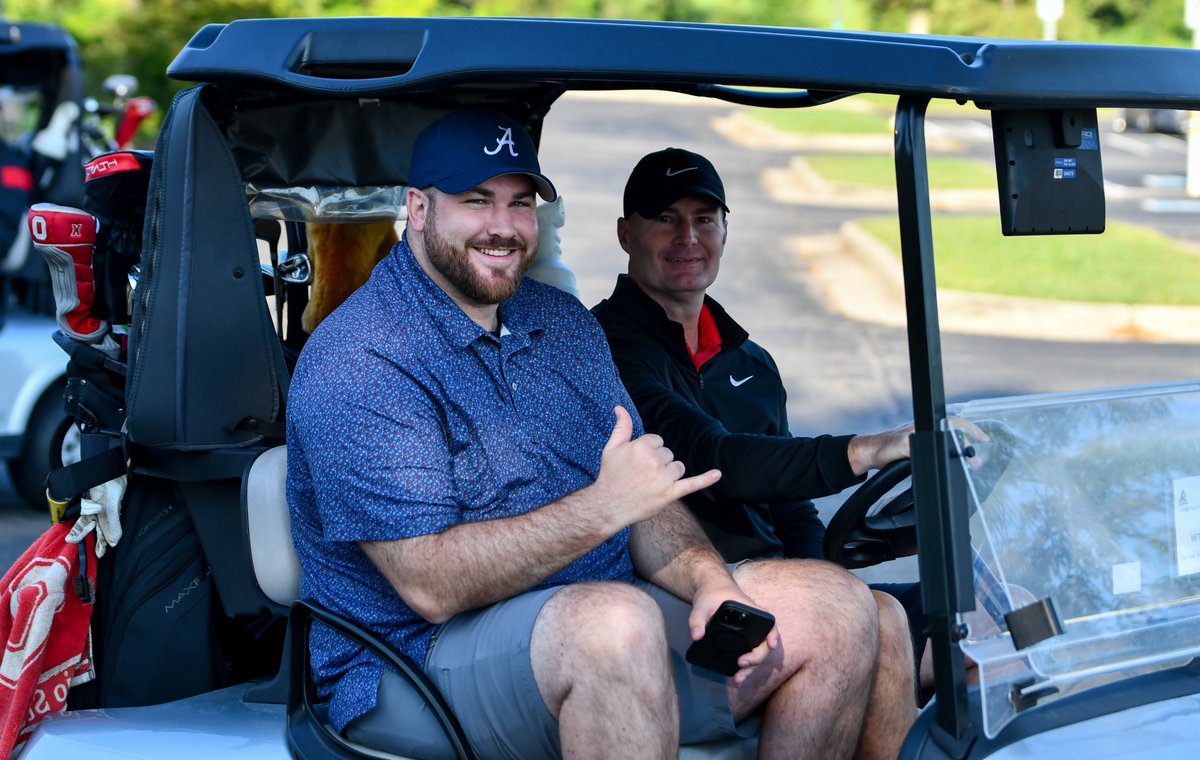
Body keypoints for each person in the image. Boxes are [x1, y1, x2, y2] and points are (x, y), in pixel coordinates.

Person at [287, 110, 915, 760]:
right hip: (412, 658)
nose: (502, 226)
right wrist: (603, 508)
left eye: (520, 203)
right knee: (616, 626)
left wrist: (709, 581)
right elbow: (430, 585)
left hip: (595, 618)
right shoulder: (364, 356)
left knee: (838, 605)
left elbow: (641, 494)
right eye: (476, 201)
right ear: (418, 209)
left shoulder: (560, 323)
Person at [591, 147, 929, 674]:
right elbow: (712, 459)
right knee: (882, 621)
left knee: (980, 616)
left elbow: (791, 511)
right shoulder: (603, 347)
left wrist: (832, 580)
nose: (687, 238)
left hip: (782, 580)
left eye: (704, 219)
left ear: (725, 231)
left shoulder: (750, 361)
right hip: (695, 593)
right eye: (664, 219)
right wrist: (868, 450)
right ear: (625, 233)